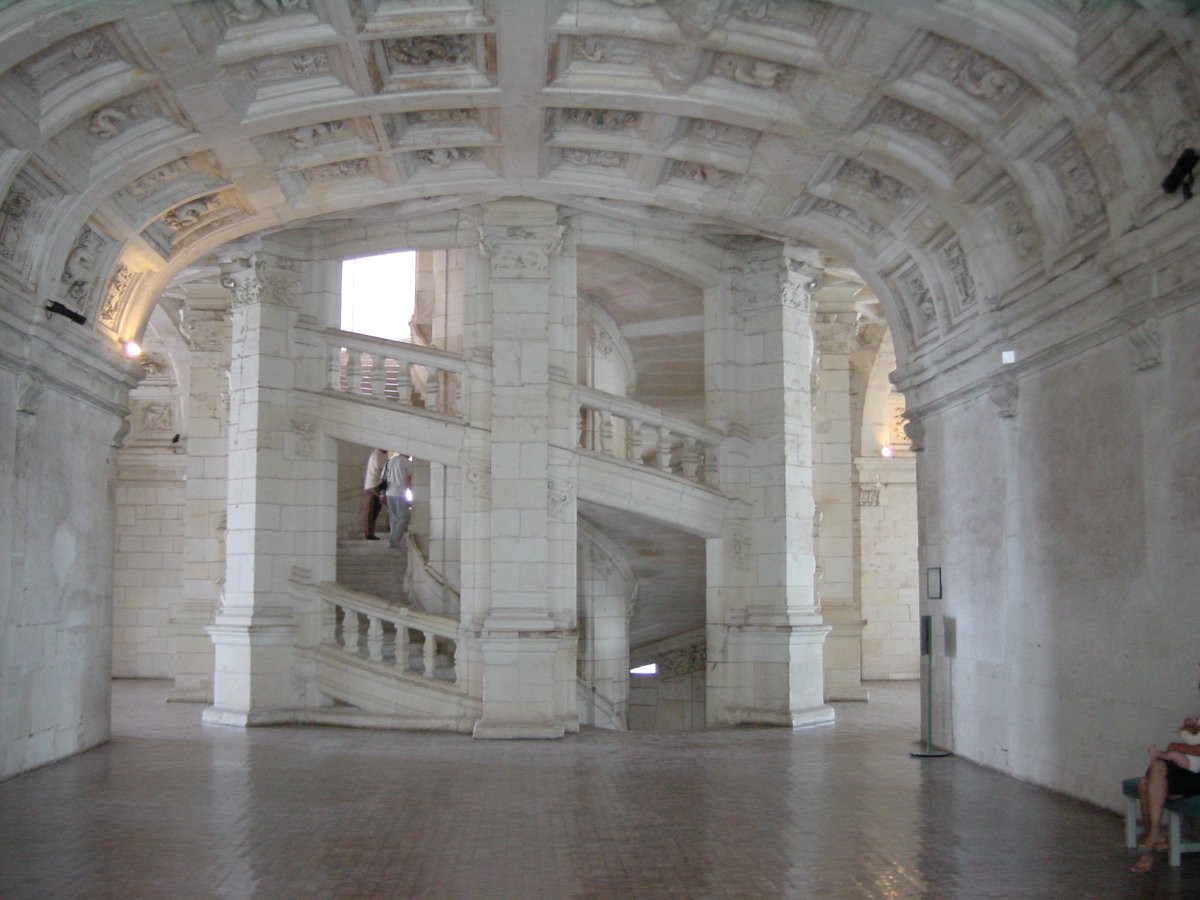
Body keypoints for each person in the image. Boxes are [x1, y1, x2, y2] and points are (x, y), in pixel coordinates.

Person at [1132, 715, 1200, 872]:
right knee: (1148, 777)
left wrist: (1175, 746)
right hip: (1190, 767)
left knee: (1146, 784)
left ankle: (1152, 840)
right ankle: (1155, 833)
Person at [382, 453, 413, 550]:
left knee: (393, 519)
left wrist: (382, 494)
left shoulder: (389, 461)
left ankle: (393, 541)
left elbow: (383, 479)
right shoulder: (407, 462)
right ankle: (393, 541)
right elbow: (409, 480)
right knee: (404, 517)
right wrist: (410, 496)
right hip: (400, 493)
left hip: (389, 493)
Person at [362, 448, 387, 540]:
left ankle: (371, 532)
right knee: (371, 509)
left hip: (378, 485)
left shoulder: (384, 454)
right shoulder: (377, 454)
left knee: (376, 510)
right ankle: (368, 532)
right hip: (372, 485)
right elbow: (379, 470)